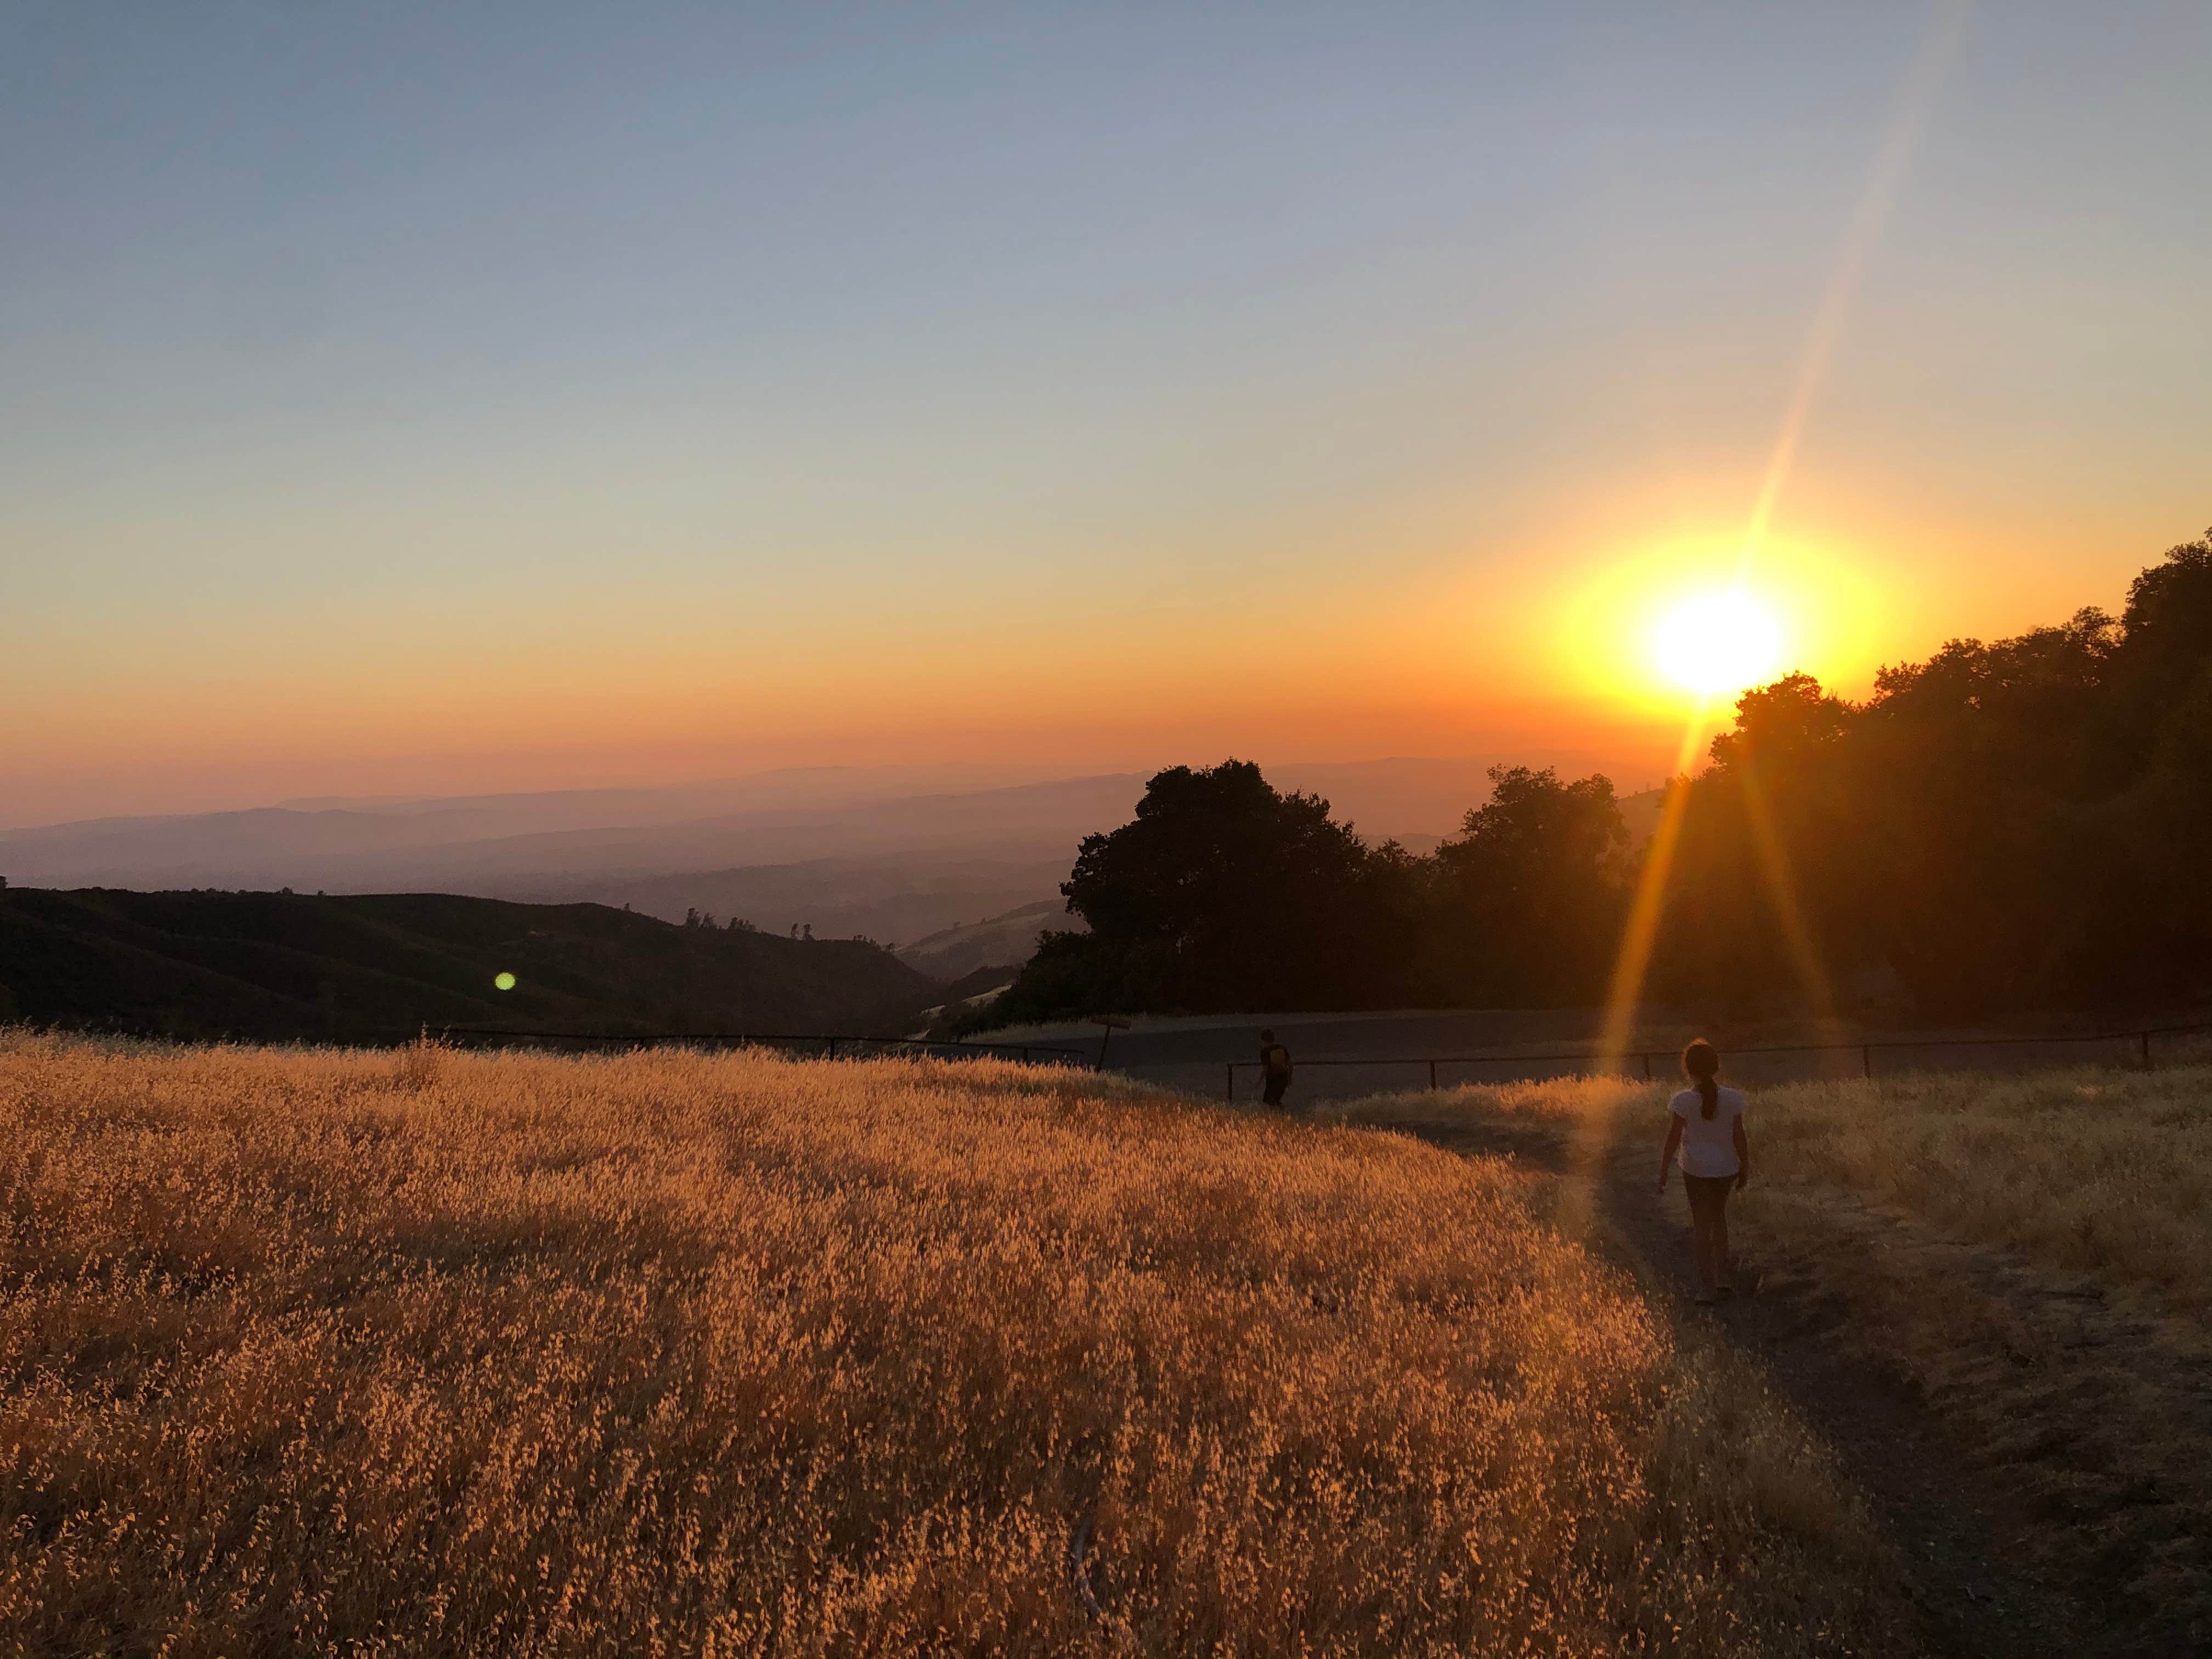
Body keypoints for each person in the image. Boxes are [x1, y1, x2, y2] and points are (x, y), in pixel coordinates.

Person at [1656, 1039, 1750, 1305]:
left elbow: (1673, 1139)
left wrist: (1663, 1170)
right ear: (1716, 1066)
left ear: (1688, 1069)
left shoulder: (1682, 1101)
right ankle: (1724, 1279)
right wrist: (1745, 1165)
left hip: (1695, 1170)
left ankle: (1706, 1288)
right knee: (1719, 1219)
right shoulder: (1733, 1098)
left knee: (1701, 1225)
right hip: (1726, 1168)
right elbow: (1739, 1136)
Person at [1259, 1029, 1293, 1109]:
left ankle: (1280, 1115)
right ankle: (1280, 1115)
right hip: (1283, 1077)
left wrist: (1259, 1082)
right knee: (1276, 1100)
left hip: (1272, 1079)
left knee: (1269, 1100)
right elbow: (1290, 1065)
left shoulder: (1265, 1051)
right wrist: (1289, 1078)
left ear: (1263, 1040)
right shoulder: (1282, 1048)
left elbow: (1265, 1069)